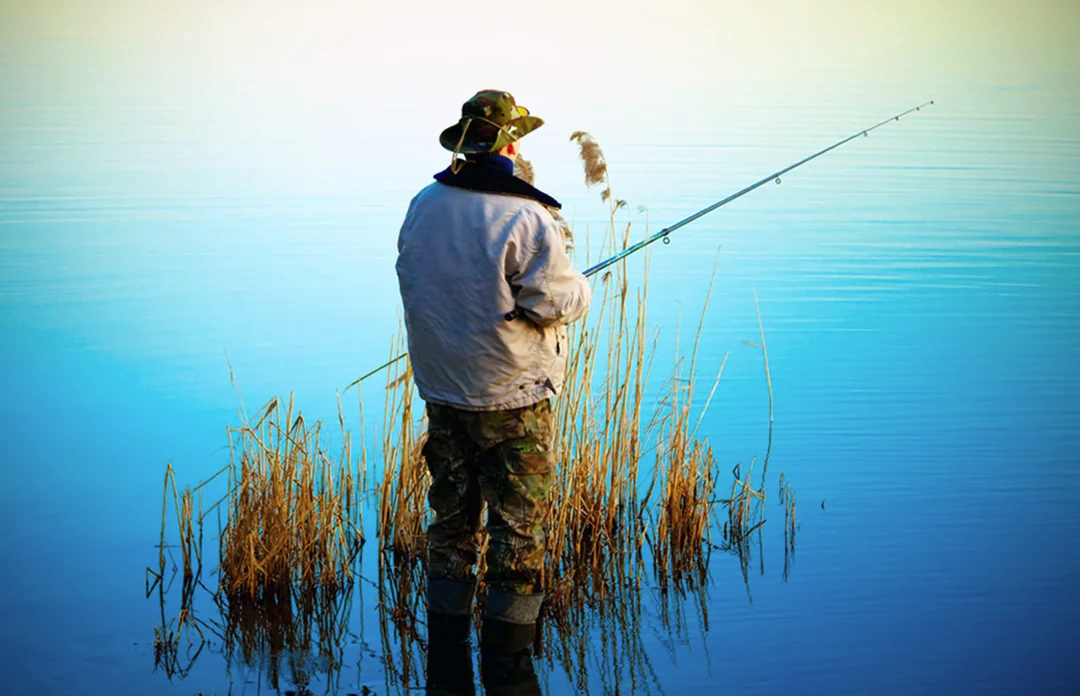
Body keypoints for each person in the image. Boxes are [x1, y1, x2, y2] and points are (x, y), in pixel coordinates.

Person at [395, 89, 591, 694]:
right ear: (507, 145)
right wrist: (581, 288)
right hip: (513, 396)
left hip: (444, 391)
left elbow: (414, 274)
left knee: (451, 518)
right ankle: (509, 660)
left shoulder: (424, 203)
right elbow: (554, 301)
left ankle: (446, 646)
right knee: (518, 524)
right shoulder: (525, 217)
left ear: (463, 144)